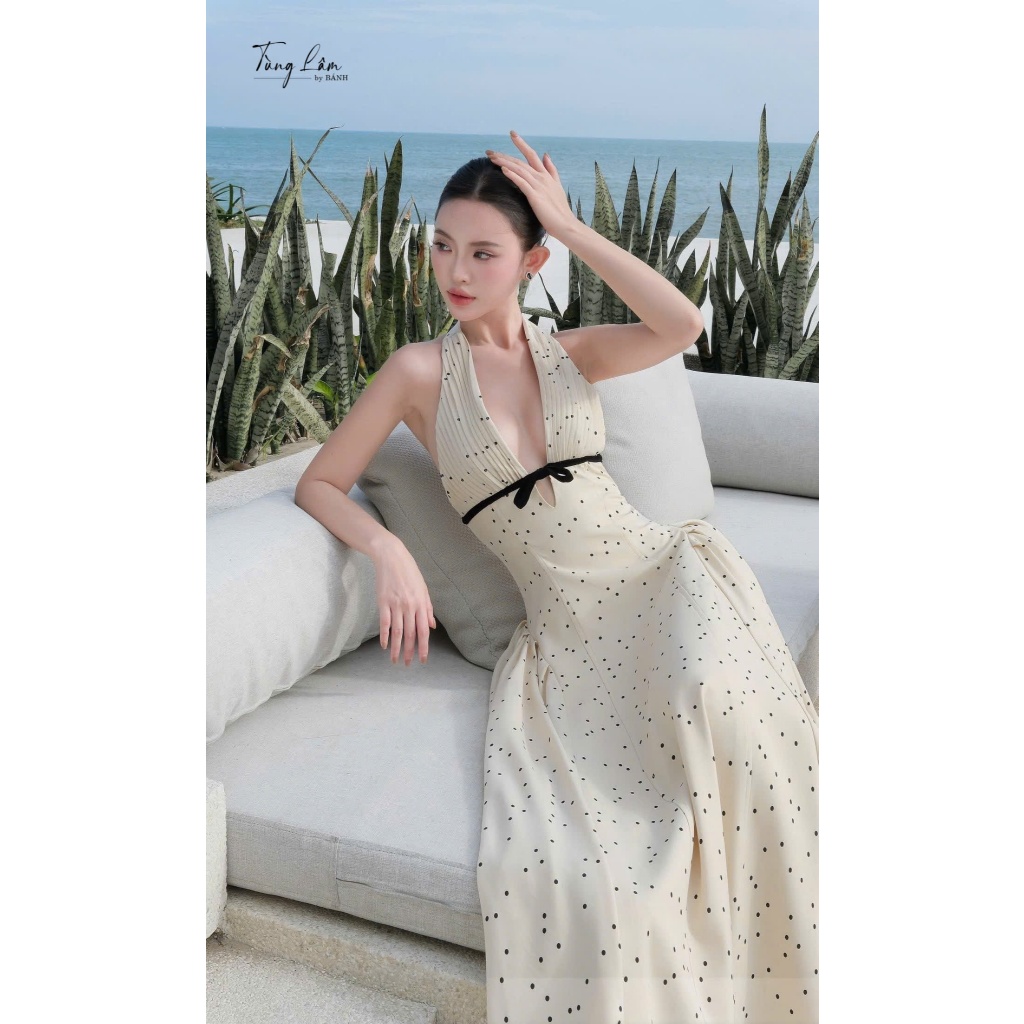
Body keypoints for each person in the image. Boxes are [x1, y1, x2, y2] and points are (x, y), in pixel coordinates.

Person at [295, 131, 819, 1024]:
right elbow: (319, 482)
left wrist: (572, 228)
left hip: (663, 574)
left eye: (483, 252)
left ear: (530, 262)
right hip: (568, 632)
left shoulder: (569, 353)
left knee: (725, 712)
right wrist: (388, 550)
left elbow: (683, 326)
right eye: (442, 246)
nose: (456, 271)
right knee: (611, 862)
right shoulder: (418, 372)